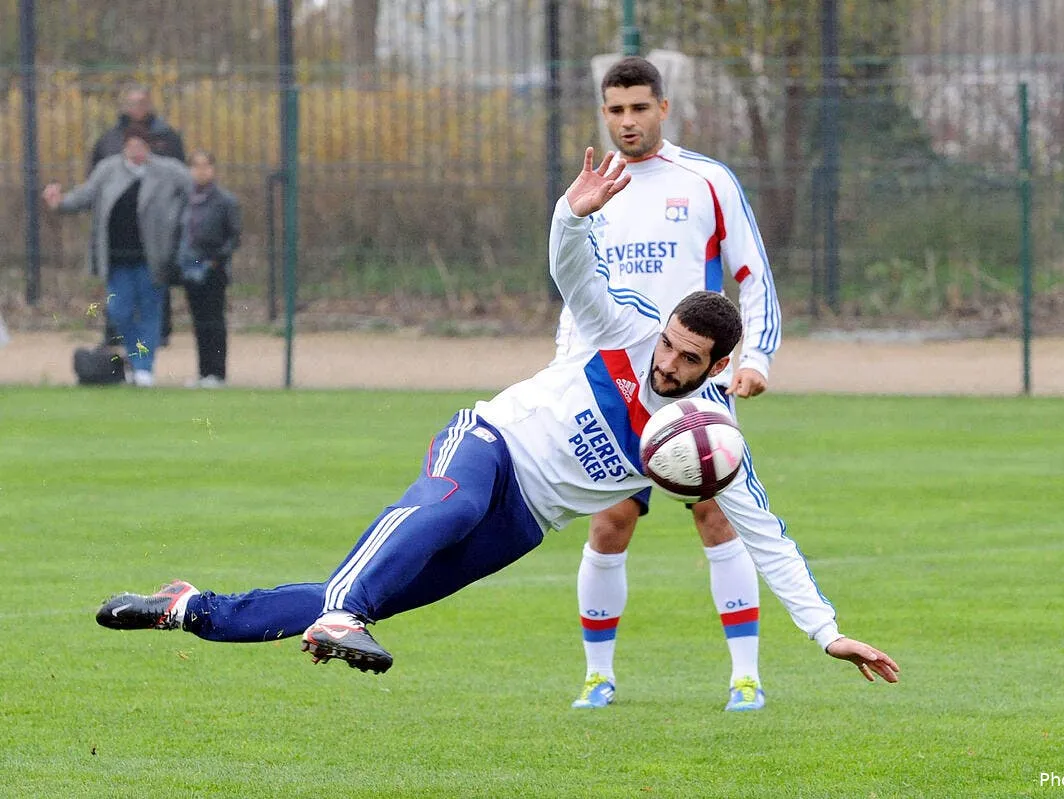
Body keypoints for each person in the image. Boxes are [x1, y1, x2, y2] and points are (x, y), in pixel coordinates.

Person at [95, 148, 900, 693]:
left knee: (361, 598)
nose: (669, 362)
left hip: (524, 521)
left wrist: (826, 631)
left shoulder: (713, 441)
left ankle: (187, 606)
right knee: (442, 507)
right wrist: (571, 212)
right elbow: (570, 269)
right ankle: (343, 612)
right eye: (671, 344)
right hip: (487, 444)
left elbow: (768, 534)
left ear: (716, 368)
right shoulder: (623, 328)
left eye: (690, 359)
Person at [554, 57, 783, 712]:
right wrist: (566, 369)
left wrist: (756, 360)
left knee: (718, 511)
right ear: (604, 113)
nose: (628, 121)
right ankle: (598, 676)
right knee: (610, 522)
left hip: (696, 382)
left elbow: (754, 275)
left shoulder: (707, 180)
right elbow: (576, 296)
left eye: (639, 108)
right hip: (615, 383)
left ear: (664, 108)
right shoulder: (591, 193)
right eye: (615, 110)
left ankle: (746, 675)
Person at [44, 124, 192, 387]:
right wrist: (60, 202)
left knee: (150, 313)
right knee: (119, 311)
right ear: (124, 146)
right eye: (131, 146)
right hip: (117, 258)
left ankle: (144, 369)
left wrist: (179, 225)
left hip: (152, 258)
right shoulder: (108, 170)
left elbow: (194, 192)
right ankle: (137, 359)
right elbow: (85, 196)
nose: (136, 151)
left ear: (149, 147)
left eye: (141, 146)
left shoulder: (168, 171)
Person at [91, 84, 186, 351]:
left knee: (155, 286)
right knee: (117, 293)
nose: (138, 108)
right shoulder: (109, 139)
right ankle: (117, 334)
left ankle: (158, 334)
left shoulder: (167, 138)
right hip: (120, 230)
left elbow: (181, 180)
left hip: (156, 229)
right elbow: (95, 180)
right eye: (132, 102)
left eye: (142, 102)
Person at [177, 150, 242, 388]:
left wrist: (216, 259)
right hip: (190, 266)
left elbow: (234, 237)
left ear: (213, 169)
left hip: (214, 267)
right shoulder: (186, 199)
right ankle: (204, 372)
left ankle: (217, 372)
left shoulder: (225, 201)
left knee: (214, 321)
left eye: (205, 166)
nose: (200, 171)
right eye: (196, 166)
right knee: (199, 321)